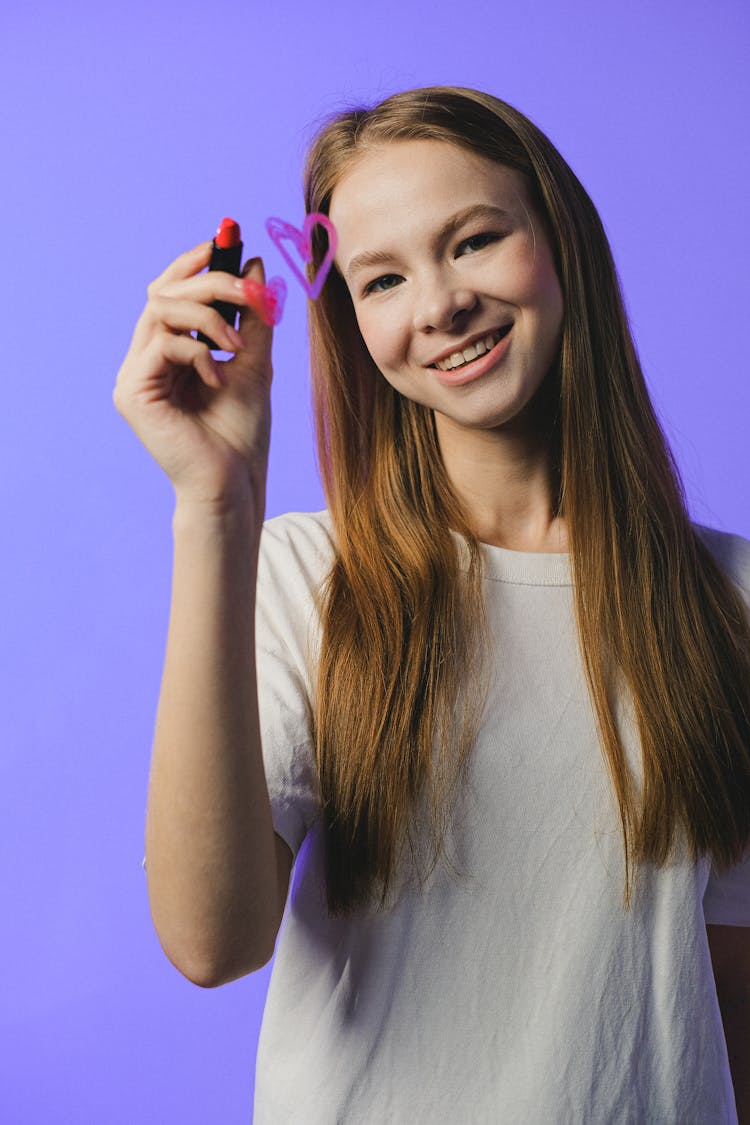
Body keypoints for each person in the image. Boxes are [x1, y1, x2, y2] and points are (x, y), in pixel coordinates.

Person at [114, 87, 750, 1123]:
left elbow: (729, 995)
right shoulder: (307, 576)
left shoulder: (731, 601)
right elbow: (211, 942)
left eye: (475, 240)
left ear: (561, 243)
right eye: (382, 279)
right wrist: (214, 504)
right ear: (351, 321)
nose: (439, 304)